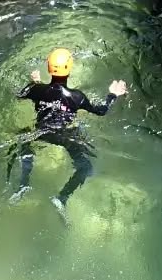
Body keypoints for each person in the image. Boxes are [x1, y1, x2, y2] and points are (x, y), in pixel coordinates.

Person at [10, 48, 128, 217]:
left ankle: (23, 185)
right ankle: (61, 198)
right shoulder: (77, 97)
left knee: (23, 139)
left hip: (40, 131)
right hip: (64, 135)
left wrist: (34, 83)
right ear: (70, 69)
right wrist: (113, 95)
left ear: (49, 69)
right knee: (86, 167)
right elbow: (101, 111)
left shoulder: (36, 89)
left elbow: (19, 95)